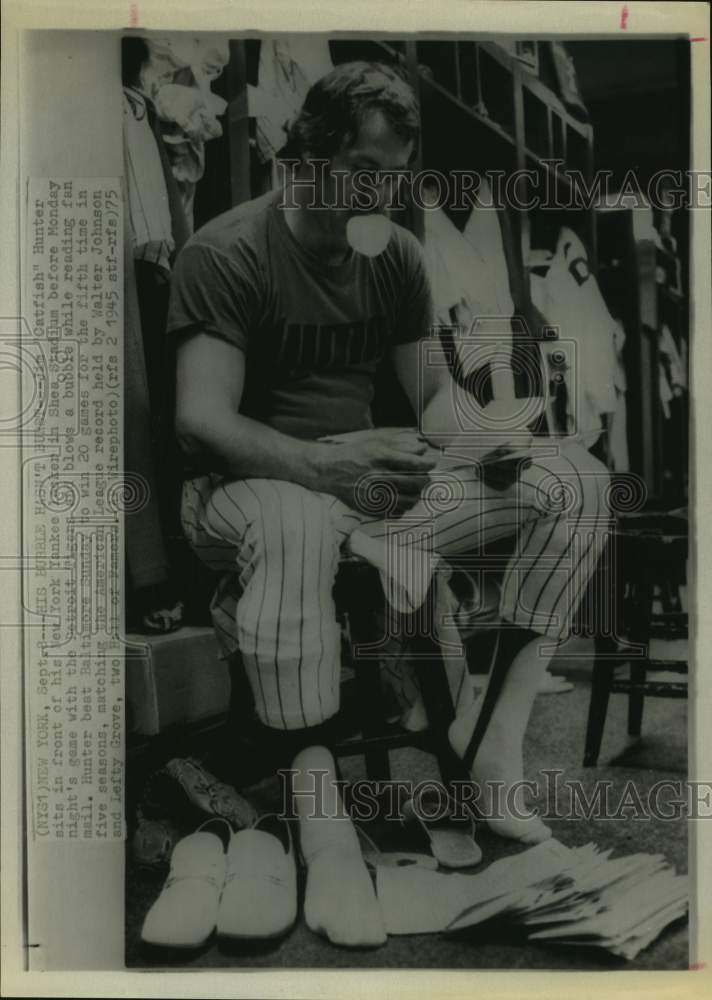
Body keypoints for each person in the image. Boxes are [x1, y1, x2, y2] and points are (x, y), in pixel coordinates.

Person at [168, 61, 609, 946]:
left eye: (395, 181)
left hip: (365, 492)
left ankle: (494, 749)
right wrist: (325, 466)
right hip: (243, 492)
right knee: (295, 524)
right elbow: (201, 420)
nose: (382, 197)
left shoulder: (397, 253)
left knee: (577, 481)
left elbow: (432, 401)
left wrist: (491, 436)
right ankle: (319, 807)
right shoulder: (228, 249)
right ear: (309, 154)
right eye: (365, 175)